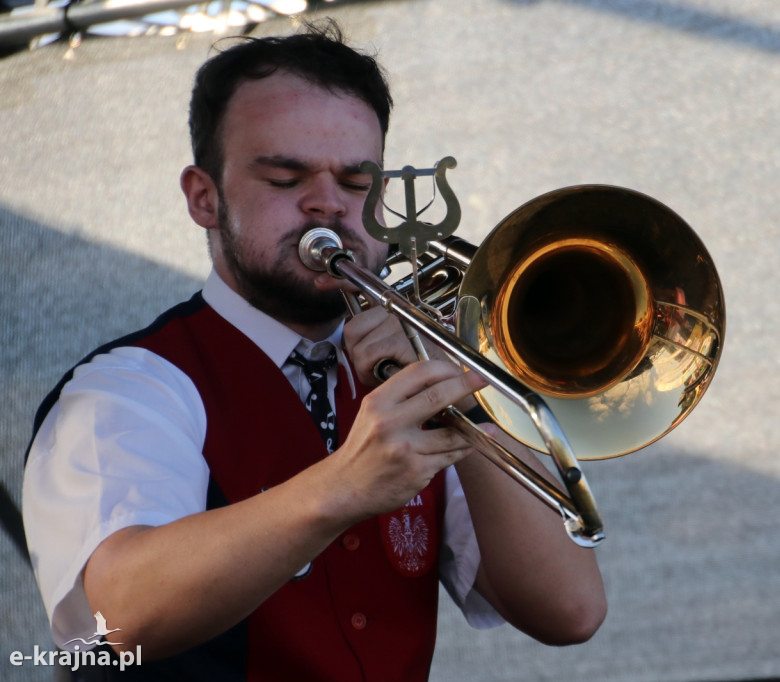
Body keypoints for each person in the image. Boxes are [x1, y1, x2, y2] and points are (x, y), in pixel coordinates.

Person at [22, 20, 606, 680]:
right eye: (283, 178)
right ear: (204, 198)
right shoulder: (129, 388)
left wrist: (465, 392)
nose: (328, 206)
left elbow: (571, 610)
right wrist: (344, 488)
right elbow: (113, 620)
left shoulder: (419, 374)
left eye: (357, 185)